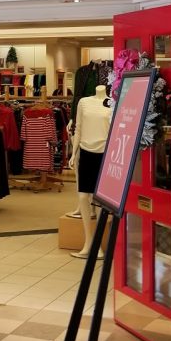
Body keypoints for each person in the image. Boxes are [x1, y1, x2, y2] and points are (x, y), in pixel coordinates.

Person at [68, 85, 112, 259]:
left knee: (100, 200)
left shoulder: (112, 102)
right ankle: (89, 242)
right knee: (83, 197)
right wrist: (74, 153)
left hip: (105, 153)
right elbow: (78, 128)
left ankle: (97, 246)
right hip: (85, 151)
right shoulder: (83, 102)